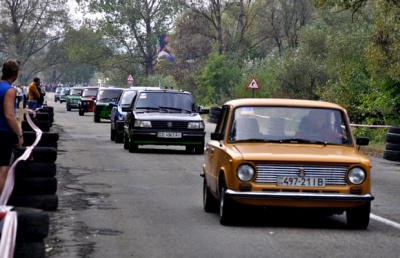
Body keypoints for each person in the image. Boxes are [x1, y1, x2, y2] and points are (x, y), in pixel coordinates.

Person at [0, 59, 23, 194]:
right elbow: (9, 116)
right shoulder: (9, 90)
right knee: (3, 169)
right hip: (3, 134)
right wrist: (19, 134)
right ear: (15, 73)